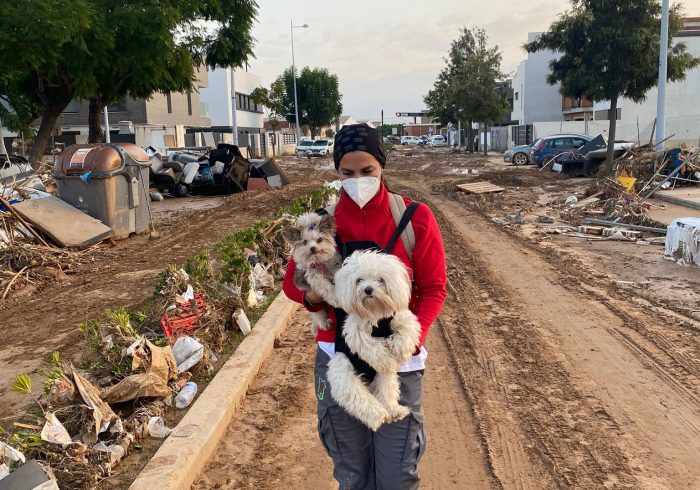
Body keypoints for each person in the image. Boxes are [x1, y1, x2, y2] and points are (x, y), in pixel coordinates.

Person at [283, 124, 447, 490]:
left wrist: (407, 343)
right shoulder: (321, 223)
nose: (358, 179)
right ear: (337, 172)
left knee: (397, 474)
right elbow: (291, 286)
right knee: (351, 472)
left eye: (367, 171)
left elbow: (435, 287)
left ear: (382, 166)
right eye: (348, 173)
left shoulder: (414, 217)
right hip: (336, 356)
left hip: (396, 361)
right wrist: (313, 296)